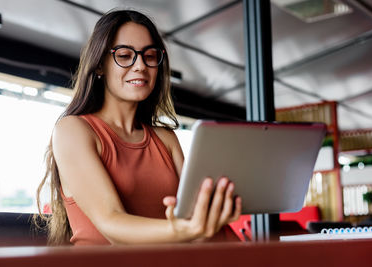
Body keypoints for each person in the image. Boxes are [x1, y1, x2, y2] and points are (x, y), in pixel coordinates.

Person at [36, 9, 241, 245]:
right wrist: (189, 230)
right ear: (100, 65)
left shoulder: (166, 139)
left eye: (150, 56)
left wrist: (212, 217)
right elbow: (111, 223)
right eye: (124, 55)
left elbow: (193, 221)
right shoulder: (73, 130)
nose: (141, 66)